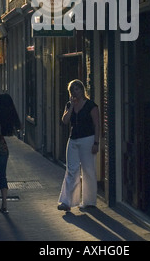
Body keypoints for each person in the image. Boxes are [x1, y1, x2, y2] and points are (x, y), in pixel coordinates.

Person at [57, 79, 100, 212]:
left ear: (82, 90)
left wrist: (96, 143)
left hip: (88, 139)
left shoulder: (91, 105)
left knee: (88, 170)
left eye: (77, 89)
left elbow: (97, 125)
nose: (75, 92)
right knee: (71, 170)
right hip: (73, 140)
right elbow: (65, 121)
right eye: (73, 90)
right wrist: (70, 107)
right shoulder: (69, 104)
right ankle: (67, 201)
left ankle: (89, 201)